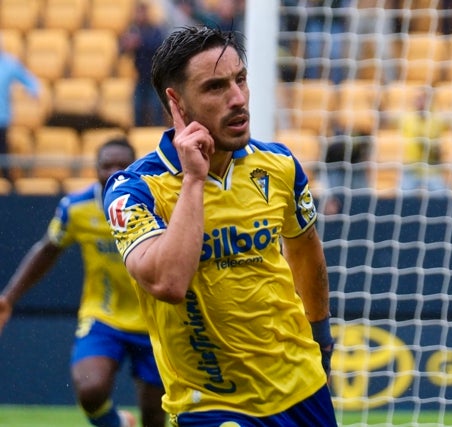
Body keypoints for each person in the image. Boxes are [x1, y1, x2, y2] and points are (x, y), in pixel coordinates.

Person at [102, 26, 337, 426]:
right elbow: (168, 283)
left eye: (240, 79)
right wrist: (194, 179)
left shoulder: (278, 165)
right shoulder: (135, 190)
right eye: (215, 87)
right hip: (211, 404)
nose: (238, 99)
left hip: (301, 387)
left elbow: (304, 250)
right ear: (176, 102)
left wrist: (322, 338)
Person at [0, 138, 165, 427]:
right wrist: (9, 297)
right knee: (90, 390)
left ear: (134, 167)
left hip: (155, 320)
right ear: (95, 169)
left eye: (121, 165)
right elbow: (47, 250)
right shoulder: (76, 208)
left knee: (154, 415)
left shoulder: (156, 204)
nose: (113, 171)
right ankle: (119, 424)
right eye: (106, 165)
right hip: (103, 316)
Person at [120, 1, 167, 127]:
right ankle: (138, 132)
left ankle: (158, 131)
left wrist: (139, 42)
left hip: (154, 77)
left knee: (156, 107)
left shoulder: (155, 29)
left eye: (141, 12)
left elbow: (159, 47)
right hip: (141, 76)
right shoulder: (133, 29)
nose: (139, 16)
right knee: (137, 107)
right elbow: (122, 50)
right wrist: (126, 44)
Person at [0, 39, 40, 179]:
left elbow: (29, 80)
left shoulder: (9, 64)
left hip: (2, 117)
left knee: (2, 149)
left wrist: (33, 91)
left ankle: (6, 178)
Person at [399, 87, 451, 192]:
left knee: (442, 197)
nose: (419, 101)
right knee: (401, 200)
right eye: (417, 98)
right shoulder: (406, 118)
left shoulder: (437, 119)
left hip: (431, 169)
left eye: (423, 98)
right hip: (410, 169)